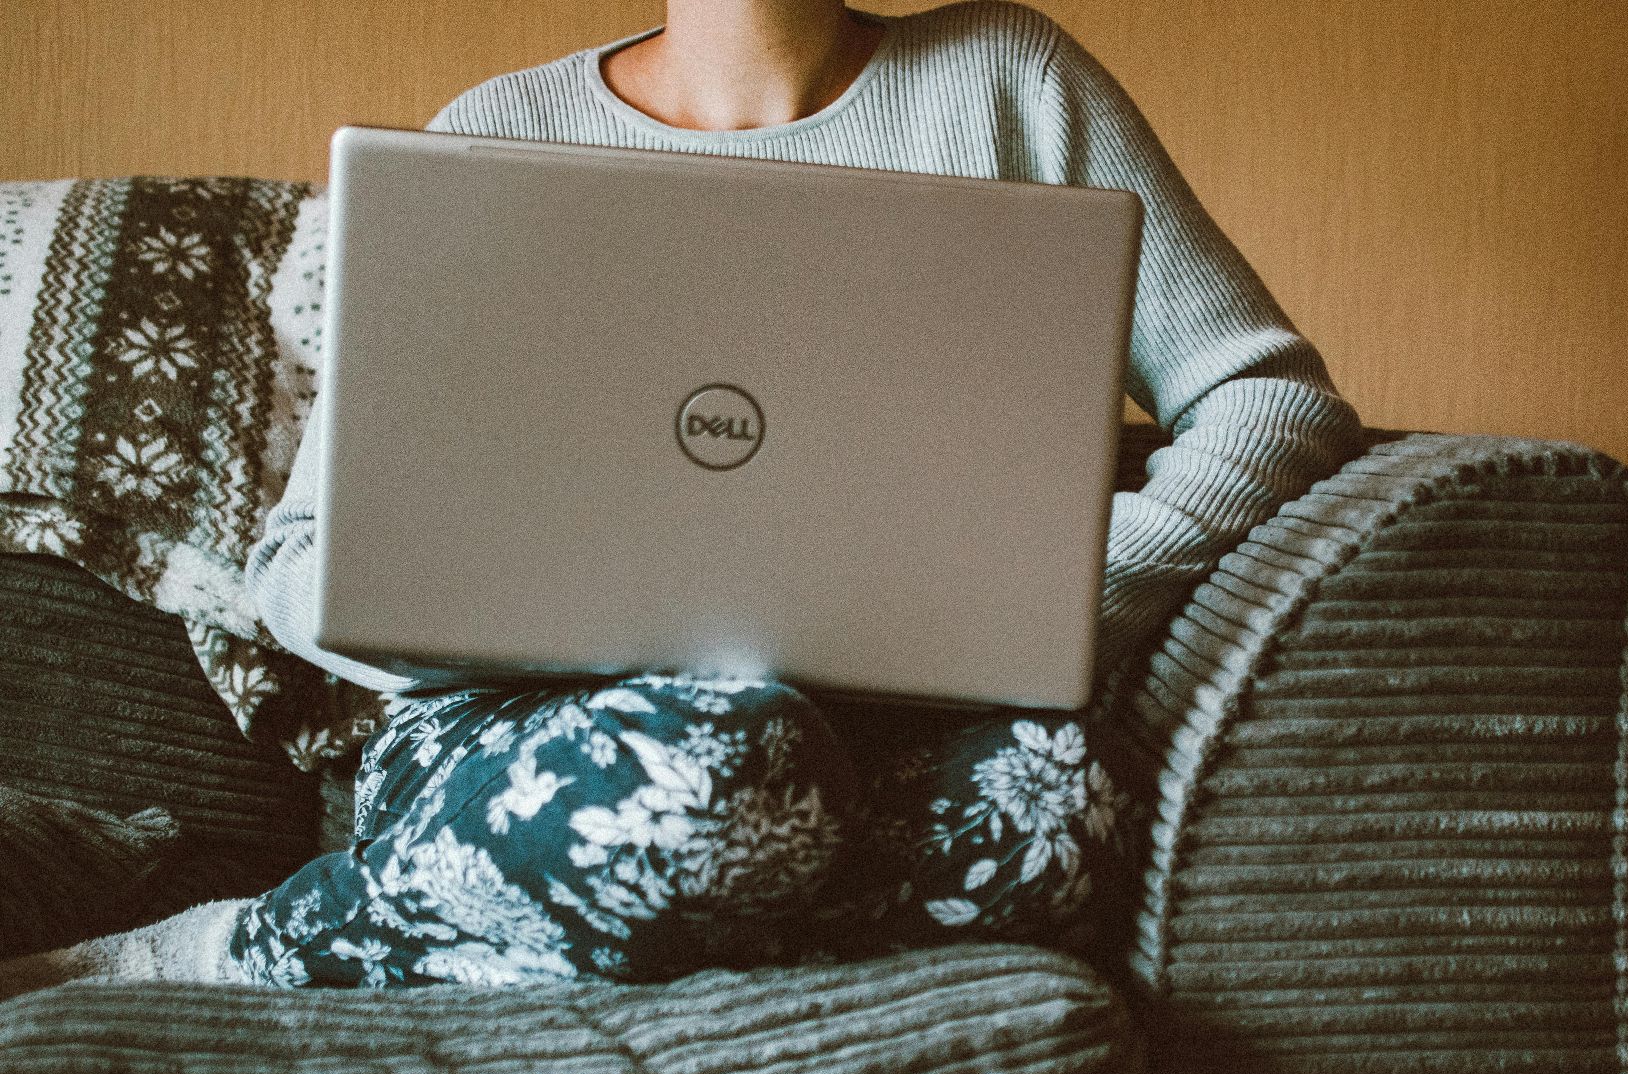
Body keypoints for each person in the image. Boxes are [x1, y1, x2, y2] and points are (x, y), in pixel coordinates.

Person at [0, 0, 1361, 996]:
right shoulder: (496, 137)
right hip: (543, 747)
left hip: (877, 740)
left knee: (1065, 813)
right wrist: (508, 614)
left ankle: (557, 940)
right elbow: (296, 564)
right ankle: (244, 948)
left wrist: (1063, 594)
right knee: (710, 770)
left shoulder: (1015, 80)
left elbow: (1272, 398)